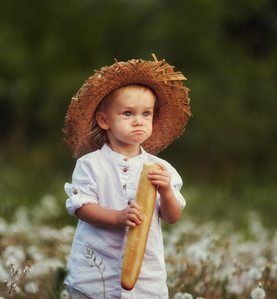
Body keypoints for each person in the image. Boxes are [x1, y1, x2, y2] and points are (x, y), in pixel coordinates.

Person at [63, 54, 191, 299]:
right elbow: (81, 207)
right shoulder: (91, 164)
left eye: (146, 114)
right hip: (96, 271)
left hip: (145, 274)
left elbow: (172, 217)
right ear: (104, 120)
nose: (138, 122)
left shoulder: (160, 167)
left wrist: (166, 191)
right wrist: (117, 217)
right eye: (127, 113)